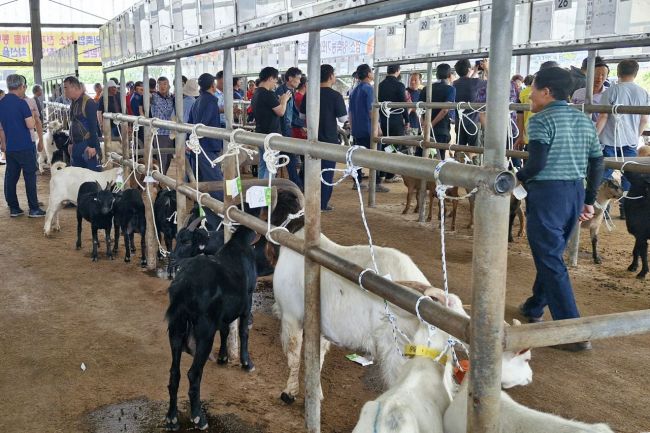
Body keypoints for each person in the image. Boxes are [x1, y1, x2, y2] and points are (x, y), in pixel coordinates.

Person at [516, 67, 604, 352]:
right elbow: (597, 163)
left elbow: (537, 163)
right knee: (551, 253)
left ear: (547, 92)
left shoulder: (541, 120)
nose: (529, 94)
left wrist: (519, 177)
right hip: (574, 193)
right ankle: (534, 305)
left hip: (548, 194)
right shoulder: (584, 121)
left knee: (551, 259)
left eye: (534, 88)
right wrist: (589, 199)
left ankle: (572, 332)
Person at [596, 59, 650, 219]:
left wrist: (594, 137)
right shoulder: (643, 92)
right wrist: (636, 136)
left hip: (609, 140)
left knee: (604, 175)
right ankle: (625, 208)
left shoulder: (611, 91)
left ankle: (602, 209)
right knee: (629, 176)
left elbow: (604, 116)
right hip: (630, 142)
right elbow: (644, 120)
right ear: (636, 73)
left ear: (618, 72)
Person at [300, 64, 347, 211]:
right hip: (329, 140)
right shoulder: (336, 96)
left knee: (310, 172)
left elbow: (302, 116)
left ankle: (308, 202)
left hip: (311, 139)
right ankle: (322, 204)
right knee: (326, 174)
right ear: (331, 76)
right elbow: (343, 118)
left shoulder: (309, 94)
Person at [0, 74, 46, 217]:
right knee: (29, 176)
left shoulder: (1, 103)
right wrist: (32, 116)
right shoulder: (22, 103)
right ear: (20, 87)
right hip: (25, 145)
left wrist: (3, 144)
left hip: (10, 146)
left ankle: (14, 208)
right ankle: (33, 208)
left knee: (11, 177)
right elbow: (30, 125)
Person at [349, 64, 388, 192]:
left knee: (357, 156)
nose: (372, 73)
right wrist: (377, 127)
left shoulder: (354, 90)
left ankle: (357, 181)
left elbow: (350, 112)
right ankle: (375, 183)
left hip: (357, 129)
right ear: (368, 74)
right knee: (376, 156)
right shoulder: (369, 89)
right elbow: (372, 111)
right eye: (371, 71)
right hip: (368, 128)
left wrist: (352, 128)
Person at [188, 73, 224, 205]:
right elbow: (205, 123)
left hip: (198, 146)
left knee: (202, 179)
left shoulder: (197, 101)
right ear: (212, 85)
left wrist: (190, 139)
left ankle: (201, 208)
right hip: (207, 145)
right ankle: (221, 210)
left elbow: (190, 122)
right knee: (216, 181)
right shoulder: (211, 100)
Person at [251, 66, 291, 180]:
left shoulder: (257, 93)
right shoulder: (268, 94)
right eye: (275, 80)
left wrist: (279, 102)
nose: (275, 83)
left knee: (263, 165)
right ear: (270, 78)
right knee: (271, 167)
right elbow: (281, 112)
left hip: (260, 134)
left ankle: (260, 194)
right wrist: (284, 100)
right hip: (271, 136)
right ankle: (267, 195)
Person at [514, 61, 559, 151]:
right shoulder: (559, 93)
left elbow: (520, 116)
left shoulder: (524, 92)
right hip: (551, 140)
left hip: (531, 136)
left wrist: (520, 136)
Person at [418, 63, 456, 159]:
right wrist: (431, 124)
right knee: (438, 159)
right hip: (440, 129)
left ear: (437, 75)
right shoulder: (450, 89)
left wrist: (425, 124)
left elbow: (420, 108)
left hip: (424, 130)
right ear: (449, 76)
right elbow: (445, 110)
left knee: (421, 157)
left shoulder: (426, 89)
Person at [378, 64, 409, 182]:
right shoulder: (399, 85)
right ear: (398, 71)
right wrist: (407, 120)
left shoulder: (380, 85)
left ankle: (381, 173)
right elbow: (403, 104)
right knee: (394, 145)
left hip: (382, 120)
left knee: (384, 145)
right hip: (395, 120)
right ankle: (390, 175)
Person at [64, 76, 101, 172]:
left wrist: (93, 146)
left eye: (66, 88)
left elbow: (94, 126)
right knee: (77, 177)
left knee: (92, 177)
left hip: (87, 145)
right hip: (76, 145)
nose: (65, 91)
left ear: (74, 87)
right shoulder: (73, 102)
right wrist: (70, 142)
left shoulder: (88, 102)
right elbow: (72, 123)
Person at [275, 67, 304, 189]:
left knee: (286, 161)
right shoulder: (282, 92)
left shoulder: (289, 91)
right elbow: (286, 116)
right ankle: (297, 187)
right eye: (298, 78)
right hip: (283, 131)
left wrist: (302, 124)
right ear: (290, 78)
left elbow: (292, 114)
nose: (299, 81)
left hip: (286, 130)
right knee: (289, 161)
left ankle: (296, 186)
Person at [453, 59, 487, 147]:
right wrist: (486, 68)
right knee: (475, 151)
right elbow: (492, 82)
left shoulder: (455, 83)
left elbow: (466, 83)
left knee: (460, 149)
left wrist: (474, 72)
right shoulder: (476, 82)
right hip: (473, 122)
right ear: (469, 69)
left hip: (459, 122)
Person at [150, 76, 176, 173]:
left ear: (168, 85)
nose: (162, 86)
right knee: (162, 159)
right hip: (159, 133)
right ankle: (160, 182)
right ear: (157, 86)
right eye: (159, 84)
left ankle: (162, 179)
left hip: (170, 132)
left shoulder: (171, 98)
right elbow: (145, 98)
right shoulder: (154, 96)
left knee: (169, 158)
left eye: (164, 84)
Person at [571, 57, 609, 123]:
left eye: (603, 75)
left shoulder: (609, 94)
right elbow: (572, 113)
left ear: (607, 76)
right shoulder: (577, 93)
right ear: (589, 74)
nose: (599, 78)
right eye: (596, 74)